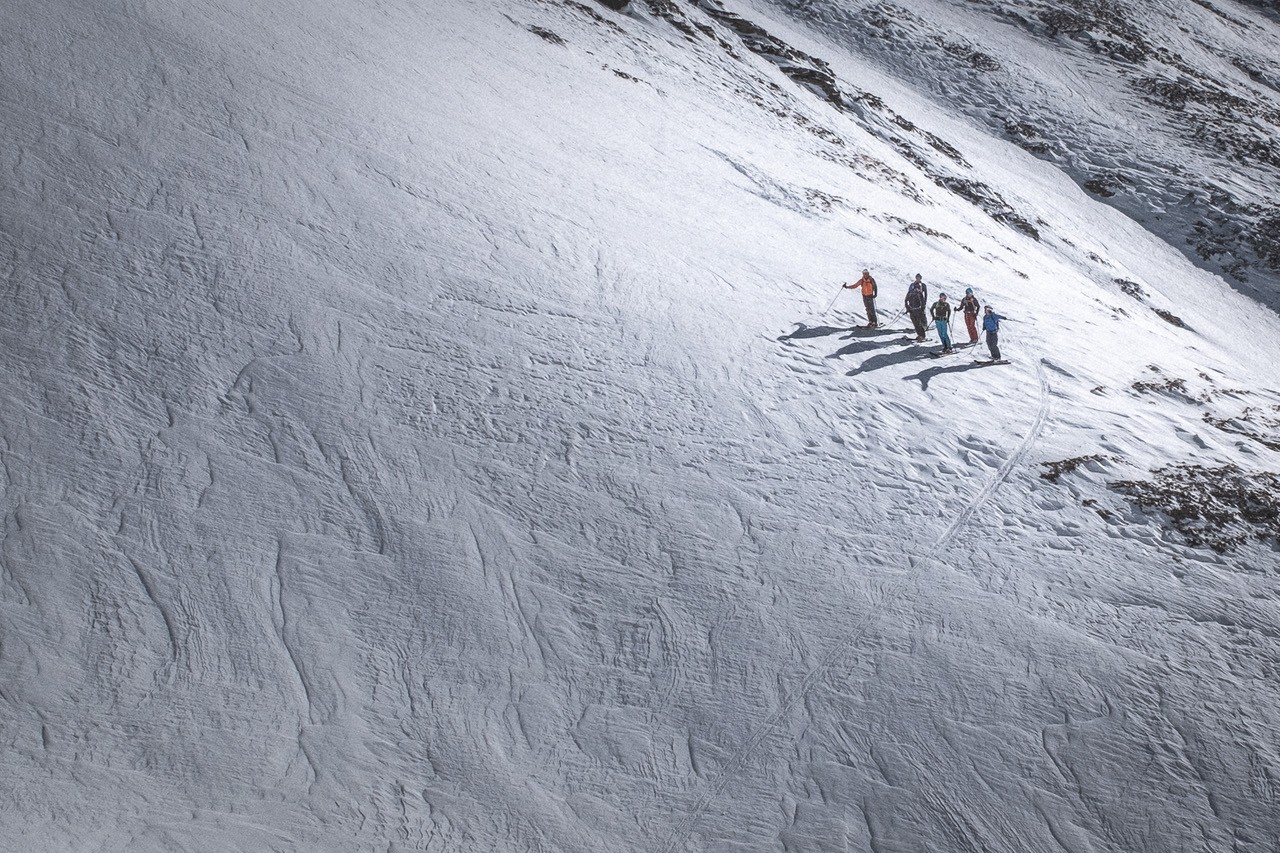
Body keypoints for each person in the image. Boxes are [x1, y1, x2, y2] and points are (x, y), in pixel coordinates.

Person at [904, 274, 928, 342]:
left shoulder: (920, 292)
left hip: (918, 309)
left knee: (918, 322)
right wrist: (907, 307)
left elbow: (924, 298)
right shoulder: (911, 292)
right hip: (912, 309)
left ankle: (922, 335)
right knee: (915, 322)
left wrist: (923, 306)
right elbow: (906, 300)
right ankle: (919, 335)